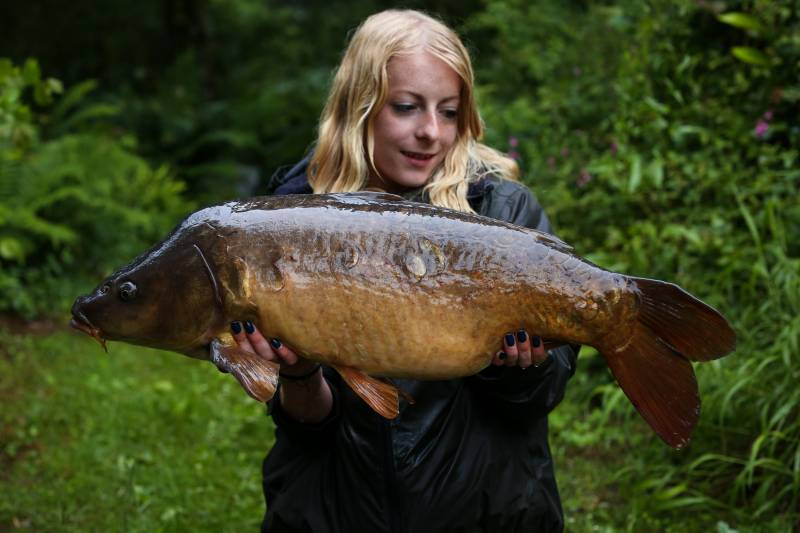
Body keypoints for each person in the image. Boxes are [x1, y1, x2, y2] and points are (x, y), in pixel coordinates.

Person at [229, 9, 579, 533]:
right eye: (407, 107)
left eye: (450, 112)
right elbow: (308, 428)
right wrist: (298, 374)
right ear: (359, 106)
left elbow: (538, 398)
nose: (430, 133)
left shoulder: (502, 213)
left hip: (486, 512)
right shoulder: (290, 218)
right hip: (337, 510)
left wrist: (517, 367)